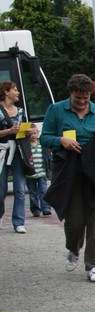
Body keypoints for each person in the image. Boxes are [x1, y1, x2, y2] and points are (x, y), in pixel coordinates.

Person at [40, 74, 95, 283]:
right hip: (70, 172)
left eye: (86, 98)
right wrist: (61, 140)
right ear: (70, 94)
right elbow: (44, 137)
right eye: (78, 98)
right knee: (74, 222)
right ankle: (73, 248)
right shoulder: (56, 110)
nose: (83, 102)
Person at [0, 80, 29, 233]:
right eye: (15, 89)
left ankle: (18, 222)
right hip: (2, 152)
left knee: (20, 189)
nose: (18, 92)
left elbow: (25, 128)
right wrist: (8, 131)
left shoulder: (21, 111)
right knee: (1, 190)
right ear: (6, 92)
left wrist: (28, 132)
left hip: (18, 152)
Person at [26, 127, 52, 217]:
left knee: (43, 190)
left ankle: (46, 208)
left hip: (41, 172)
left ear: (38, 133)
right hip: (30, 174)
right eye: (30, 134)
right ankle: (35, 209)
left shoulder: (42, 145)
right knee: (33, 193)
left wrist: (49, 168)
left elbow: (48, 157)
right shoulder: (26, 146)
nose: (33, 135)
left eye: (35, 133)